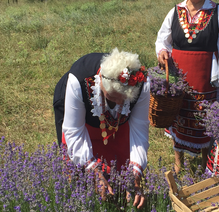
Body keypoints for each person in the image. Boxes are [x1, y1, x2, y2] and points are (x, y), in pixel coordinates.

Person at [155, 0, 219, 174]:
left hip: (205, 77)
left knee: (204, 119)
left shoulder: (217, 13)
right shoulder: (175, 11)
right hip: (180, 76)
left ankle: (208, 161)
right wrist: (162, 51)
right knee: (178, 115)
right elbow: (163, 40)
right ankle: (178, 161)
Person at [53, 48, 150, 209]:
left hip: (117, 123)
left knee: (119, 155)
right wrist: (94, 172)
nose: (118, 104)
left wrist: (135, 173)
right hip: (76, 113)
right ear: (100, 80)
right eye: (112, 98)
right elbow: (74, 131)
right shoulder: (79, 80)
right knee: (79, 174)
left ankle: (116, 195)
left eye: (123, 100)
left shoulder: (142, 84)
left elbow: (139, 129)